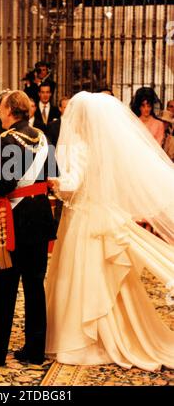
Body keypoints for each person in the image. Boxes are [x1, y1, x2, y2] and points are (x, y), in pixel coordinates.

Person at [46, 91, 174, 371]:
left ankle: (89, 339)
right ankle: (112, 331)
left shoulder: (79, 146)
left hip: (84, 218)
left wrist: (53, 182)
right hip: (103, 212)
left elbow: (72, 184)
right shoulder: (105, 146)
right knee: (107, 279)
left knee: (85, 275)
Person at [0, 90, 56, 366]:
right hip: (40, 217)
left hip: (15, 220)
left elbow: (5, 185)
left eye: (1, 107)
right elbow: (51, 174)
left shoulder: (7, 138)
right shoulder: (43, 137)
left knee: (4, 287)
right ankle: (35, 351)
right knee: (35, 286)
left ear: (10, 110)